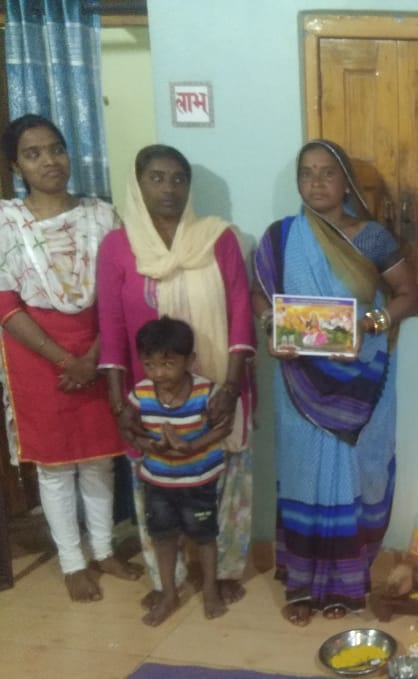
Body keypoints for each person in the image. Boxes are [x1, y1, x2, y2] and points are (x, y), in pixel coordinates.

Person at [253, 139, 418, 627]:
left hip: (358, 381)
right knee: (303, 476)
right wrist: (271, 327)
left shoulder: (371, 238)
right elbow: (260, 297)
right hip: (299, 384)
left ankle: (346, 585)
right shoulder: (280, 238)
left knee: (352, 477)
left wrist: (371, 324)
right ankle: (302, 586)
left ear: (345, 182)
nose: (316, 182)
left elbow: (409, 296)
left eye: (327, 173)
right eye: (306, 173)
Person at [97, 145, 256, 614]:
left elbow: (241, 314)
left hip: (219, 387)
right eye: (156, 178)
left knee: (223, 481)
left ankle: (221, 573)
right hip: (151, 396)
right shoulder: (118, 247)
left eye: (178, 179)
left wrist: (229, 389)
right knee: (157, 488)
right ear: (138, 184)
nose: (169, 188)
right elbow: (111, 328)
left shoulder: (217, 239)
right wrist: (119, 405)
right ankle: (167, 579)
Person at [0, 114, 142, 601]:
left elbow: (120, 293)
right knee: (56, 465)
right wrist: (66, 361)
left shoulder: (102, 216)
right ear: (16, 166)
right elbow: (5, 305)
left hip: (100, 344)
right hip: (36, 352)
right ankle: (71, 561)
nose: (49, 161)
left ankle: (102, 550)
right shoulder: (6, 223)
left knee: (99, 457)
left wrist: (95, 355)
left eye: (56, 149)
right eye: (33, 153)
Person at [129, 317, 231, 625]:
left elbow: (223, 428)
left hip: (199, 482)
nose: (158, 373)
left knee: (204, 537)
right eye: (150, 364)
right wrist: (151, 445)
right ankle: (168, 594)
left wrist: (192, 446)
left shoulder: (206, 391)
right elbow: (131, 431)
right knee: (163, 538)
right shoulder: (142, 393)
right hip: (158, 483)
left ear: (190, 360)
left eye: (168, 364)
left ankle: (210, 590)